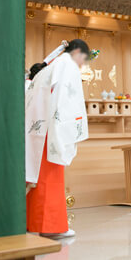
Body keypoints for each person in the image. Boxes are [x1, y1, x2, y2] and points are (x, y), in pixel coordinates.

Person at [25, 39, 90, 238]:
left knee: (39, 179)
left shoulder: (50, 67)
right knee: (51, 178)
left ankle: (34, 222)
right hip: (51, 128)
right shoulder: (66, 65)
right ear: (77, 52)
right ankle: (51, 226)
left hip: (37, 129)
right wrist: (67, 127)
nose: (82, 64)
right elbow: (66, 98)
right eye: (84, 59)